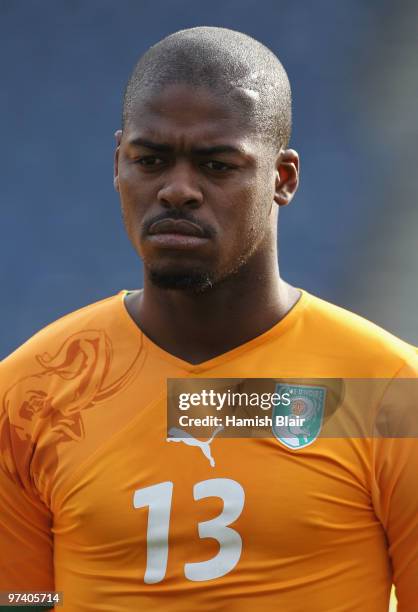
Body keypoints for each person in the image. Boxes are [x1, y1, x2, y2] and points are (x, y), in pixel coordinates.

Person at [0, 26, 417, 612]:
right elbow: (18, 599)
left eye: (217, 166)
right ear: (118, 163)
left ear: (283, 178)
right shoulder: (29, 394)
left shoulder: (391, 397)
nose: (177, 190)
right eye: (150, 160)